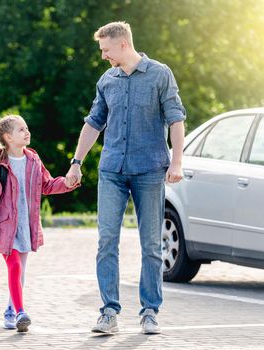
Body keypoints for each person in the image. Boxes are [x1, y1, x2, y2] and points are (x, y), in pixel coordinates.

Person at [66, 21, 186, 334]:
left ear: (121, 44)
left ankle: (149, 312)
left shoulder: (160, 74)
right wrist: (76, 162)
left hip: (149, 170)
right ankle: (108, 312)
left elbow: (176, 119)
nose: (103, 56)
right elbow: (93, 123)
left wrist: (177, 162)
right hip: (112, 171)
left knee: (150, 244)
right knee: (107, 240)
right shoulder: (107, 80)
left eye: (105, 50)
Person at [0, 114, 78, 332]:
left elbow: (46, 185)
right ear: (8, 137)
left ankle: (10, 309)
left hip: (27, 225)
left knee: (21, 271)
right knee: (15, 266)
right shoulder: (0, 165)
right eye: (21, 130)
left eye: (27, 128)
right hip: (6, 226)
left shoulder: (33, 160)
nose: (27, 132)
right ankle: (20, 313)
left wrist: (67, 183)